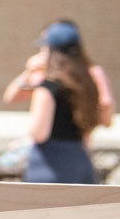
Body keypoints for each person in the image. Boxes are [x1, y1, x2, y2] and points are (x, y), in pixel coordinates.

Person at [18, 23, 100, 183]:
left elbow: (38, 133)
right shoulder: (87, 84)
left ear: (51, 51)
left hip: (50, 165)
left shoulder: (48, 88)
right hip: (81, 161)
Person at [3, 19, 115, 134]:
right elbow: (10, 98)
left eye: (47, 46)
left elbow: (105, 106)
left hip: (57, 144)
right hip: (74, 144)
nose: (44, 51)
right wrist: (27, 73)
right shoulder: (41, 73)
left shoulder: (91, 73)